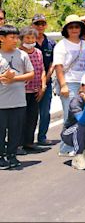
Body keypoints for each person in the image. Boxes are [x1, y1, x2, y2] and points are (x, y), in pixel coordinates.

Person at [53, 15, 85, 156]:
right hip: (69, 82)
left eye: (77, 27)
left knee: (81, 116)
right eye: (71, 27)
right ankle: (65, 147)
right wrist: (63, 85)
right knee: (70, 116)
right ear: (66, 29)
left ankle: (76, 143)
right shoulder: (61, 45)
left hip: (83, 83)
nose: (74, 29)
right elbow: (58, 66)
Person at [0, 25, 34, 170]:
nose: (15, 40)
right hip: (1, 103)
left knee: (16, 131)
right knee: (1, 132)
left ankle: (12, 155)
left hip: (19, 101)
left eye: (16, 37)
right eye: (12, 38)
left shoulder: (22, 55)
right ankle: (1, 156)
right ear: (1, 38)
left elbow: (31, 74)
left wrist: (15, 79)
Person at [19, 27, 46, 151]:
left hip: (35, 90)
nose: (30, 40)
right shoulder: (18, 53)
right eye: (27, 38)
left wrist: (42, 86)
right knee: (20, 119)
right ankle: (18, 144)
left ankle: (29, 142)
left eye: (32, 38)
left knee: (33, 117)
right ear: (21, 39)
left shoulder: (38, 53)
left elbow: (42, 70)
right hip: (21, 91)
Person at [32, 14, 55, 146]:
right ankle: (26, 138)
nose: (40, 26)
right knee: (30, 112)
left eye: (42, 24)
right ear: (32, 25)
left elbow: (53, 63)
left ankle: (42, 137)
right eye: (37, 24)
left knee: (45, 111)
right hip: (30, 83)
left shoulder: (51, 43)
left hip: (46, 81)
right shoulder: (28, 40)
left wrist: (45, 81)